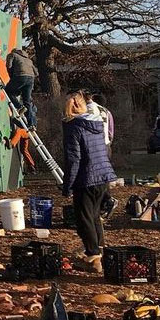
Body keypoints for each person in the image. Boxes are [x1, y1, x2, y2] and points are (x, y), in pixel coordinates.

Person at [61, 91, 116, 273]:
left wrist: (68, 184)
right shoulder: (96, 123)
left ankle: (93, 256)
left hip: (86, 177)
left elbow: (73, 159)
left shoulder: (73, 126)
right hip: (103, 175)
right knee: (94, 216)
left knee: (84, 218)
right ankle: (100, 250)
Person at [5, 46, 38, 129]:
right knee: (27, 101)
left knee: (8, 91)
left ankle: (19, 107)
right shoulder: (28, 60)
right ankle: (32, 124)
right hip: (31, 79)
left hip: (20, 76)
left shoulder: (12, 55)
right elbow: (36, 73)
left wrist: (12, 76)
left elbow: (9, 65)